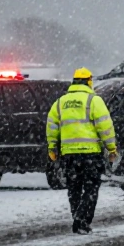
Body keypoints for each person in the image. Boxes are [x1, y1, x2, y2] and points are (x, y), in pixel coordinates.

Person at [47, 67, 118, 234]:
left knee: (74, 188)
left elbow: (51, 126)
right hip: (90, 153)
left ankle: (77, 219)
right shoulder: (94, 101)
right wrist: (111, 148)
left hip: (69, 154)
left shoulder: (60, 102)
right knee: (91, 188)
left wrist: (52, 147)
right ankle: (82, 221)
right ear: (89, 81)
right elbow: (105, 126)